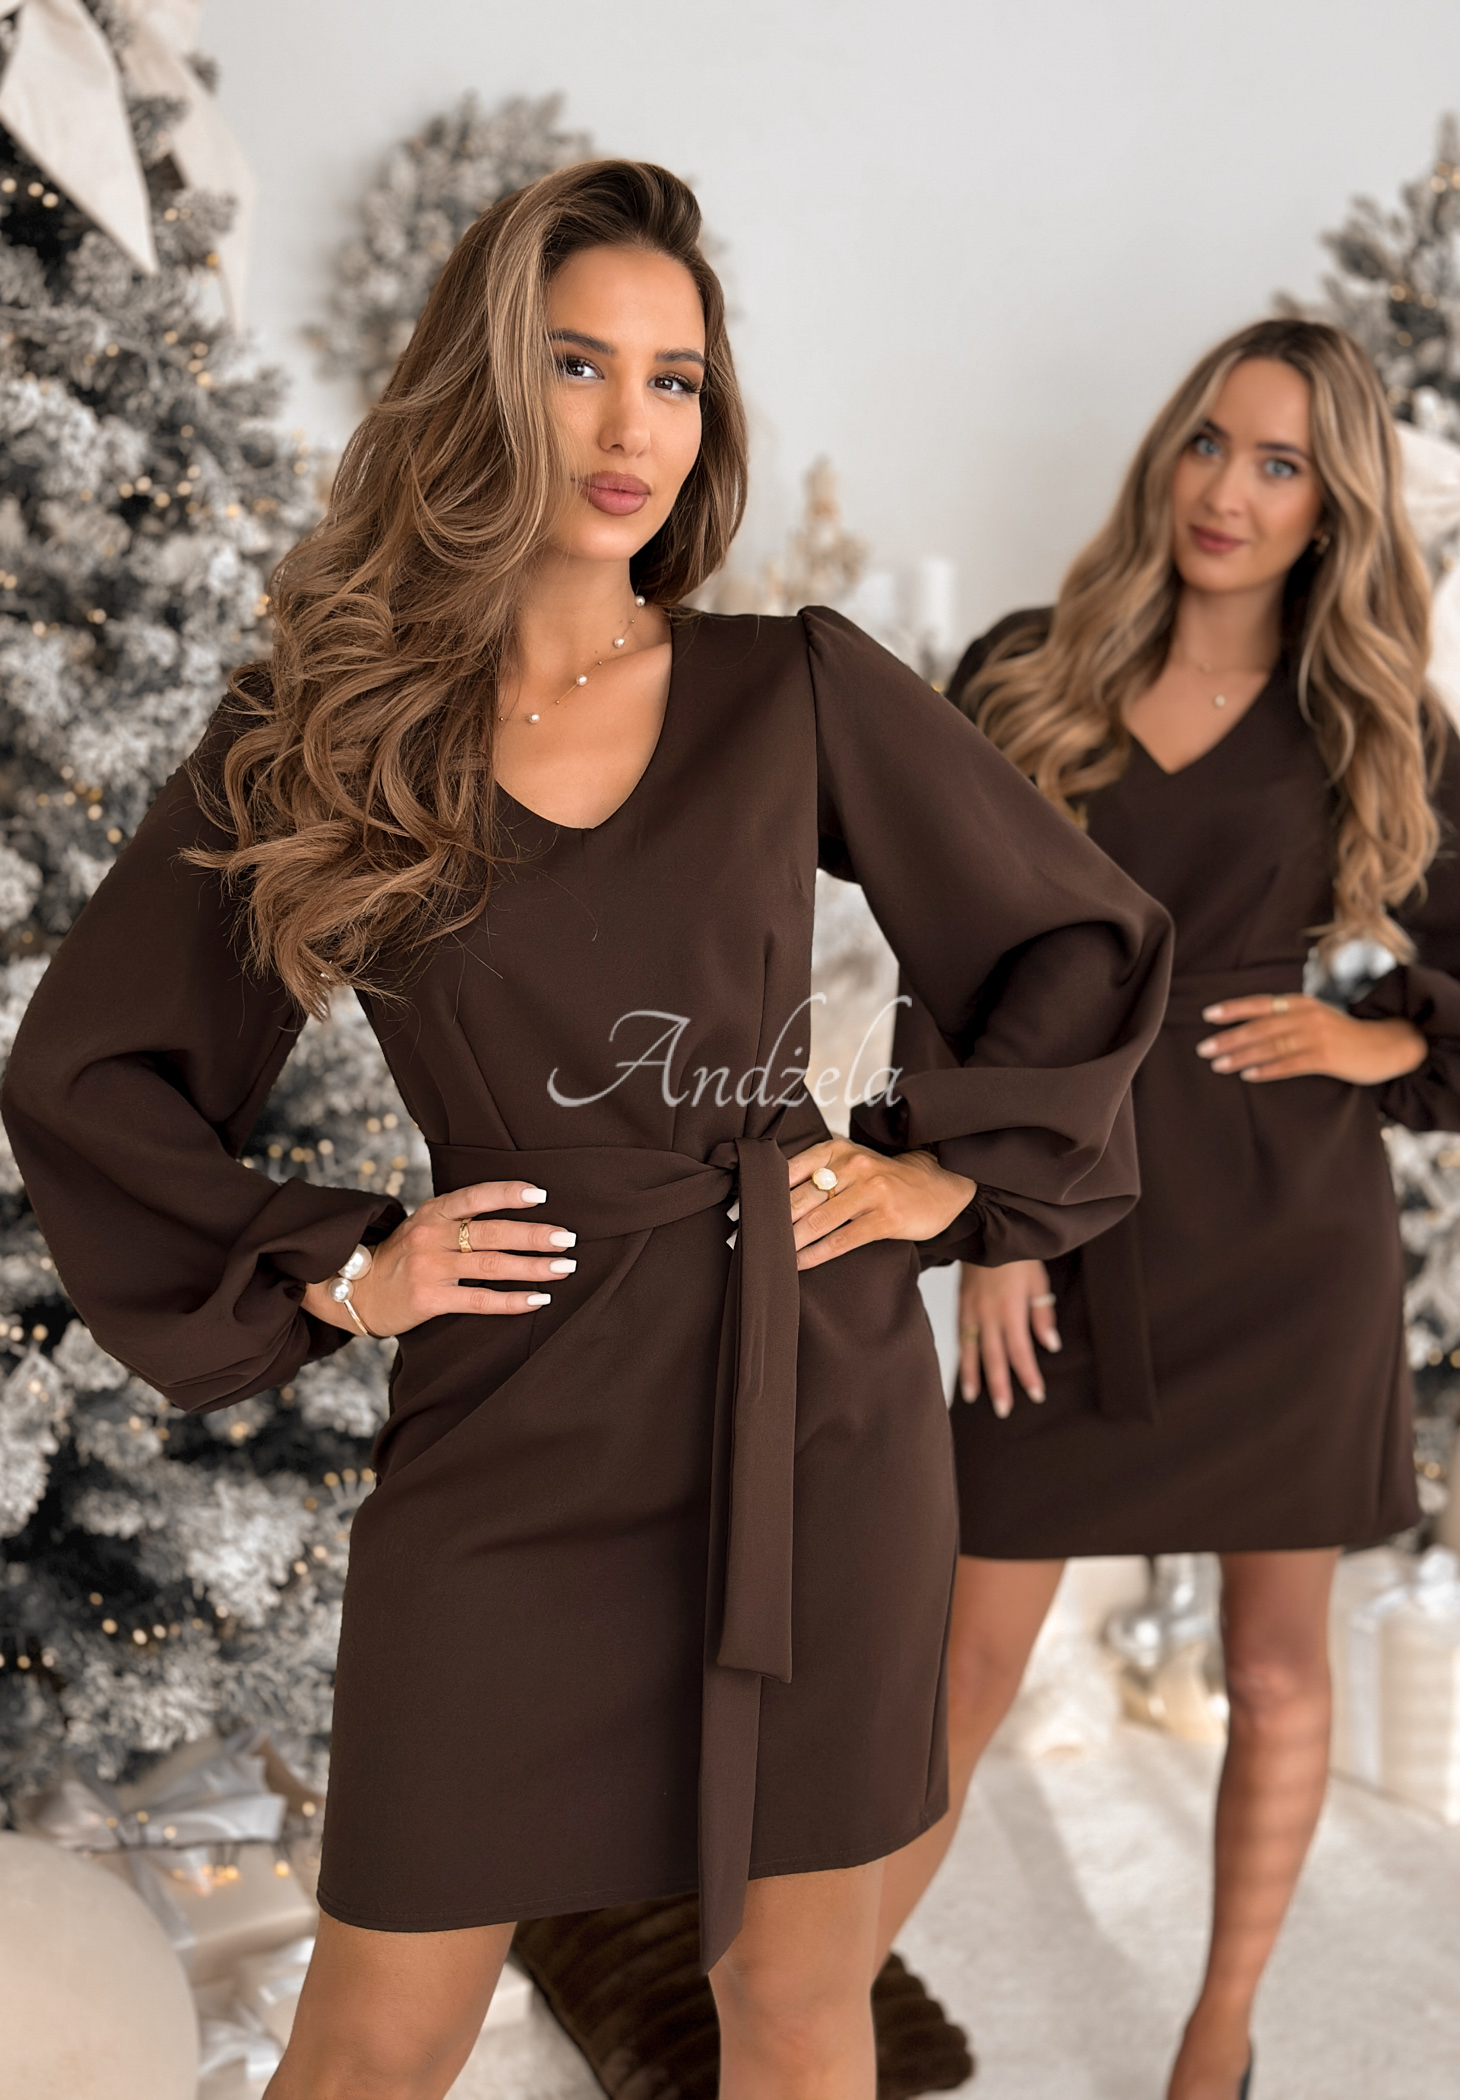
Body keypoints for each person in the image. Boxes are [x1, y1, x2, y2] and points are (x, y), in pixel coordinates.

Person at [1, 160, 1170, 2100]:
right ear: (484, 384)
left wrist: (938, 1177)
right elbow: (94, 1068)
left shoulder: (791, 686)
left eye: (675, 378)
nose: (633, 426)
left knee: (792, 2006)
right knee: (373, 2039)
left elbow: (1072, 932)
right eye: (576, 365)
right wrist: (350, 1269)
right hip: (512, 1421)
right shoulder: (333, 725)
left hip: (812, 1413)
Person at [877, 318, 1456, 2100]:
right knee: (962, 1667)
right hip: (1065, 1210)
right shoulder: (1026, 669)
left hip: (1289, 1240)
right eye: (1211, 441)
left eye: (1282, 465)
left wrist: (1379, 1042)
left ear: (1331, 509)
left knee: (1274, 1674)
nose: (1230, 490)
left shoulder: (1369, 714)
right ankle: (803, 2011)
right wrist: (987, 1225)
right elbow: (941, 961)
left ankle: (1218, 2042)